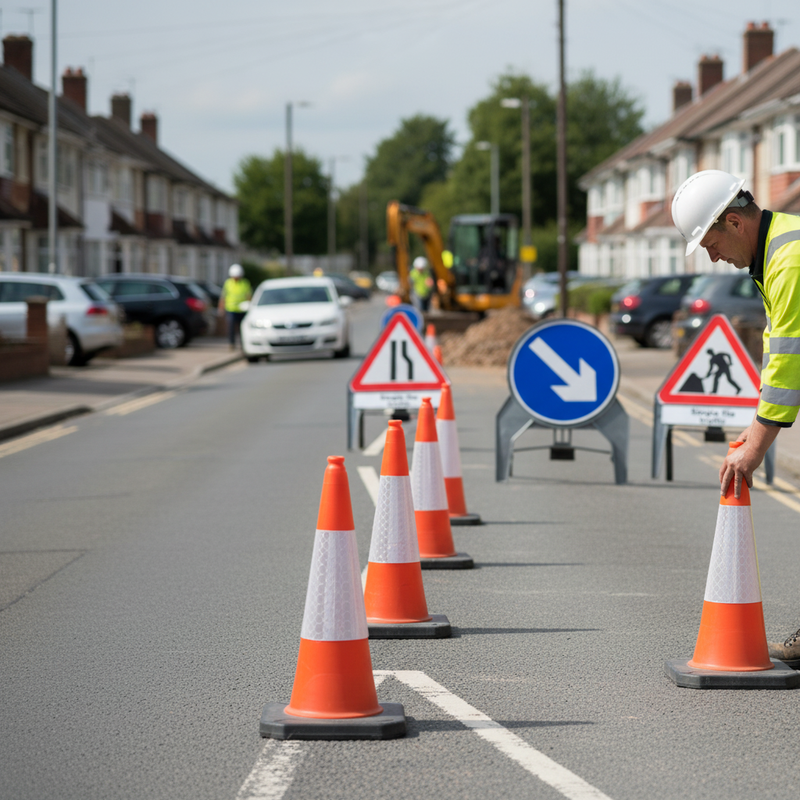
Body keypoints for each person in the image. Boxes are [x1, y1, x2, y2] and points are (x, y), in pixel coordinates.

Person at [672, 169, 800, 665]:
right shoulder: (776, 250)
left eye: (710, 241)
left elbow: (790, 356)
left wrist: (756, 446)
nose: (711, 255)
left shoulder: (787, 258)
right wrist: (757, 421)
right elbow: (779, 347)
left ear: (734, 221)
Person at [218, 264, 252, 350]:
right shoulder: (228, 283)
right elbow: (223, 296)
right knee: (231, 328)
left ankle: (243, 344)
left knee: (243, 328)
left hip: (242, 310)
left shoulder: (245, 283)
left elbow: (249, 296)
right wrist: (221, 309)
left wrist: (249, 306)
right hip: (231, 309)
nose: (236, 278)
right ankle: (231, 343)